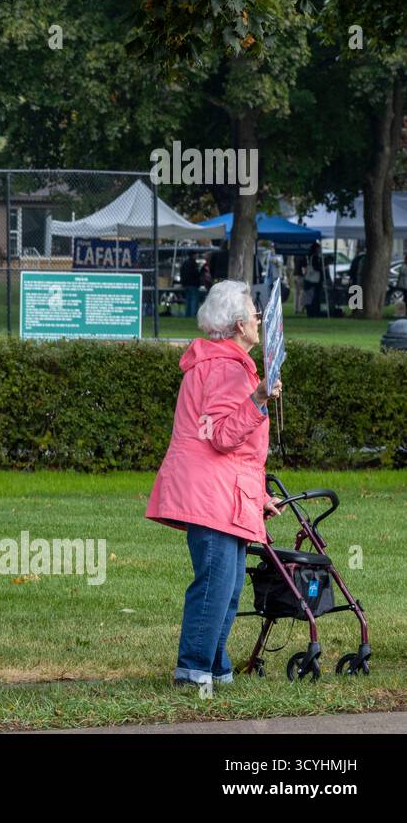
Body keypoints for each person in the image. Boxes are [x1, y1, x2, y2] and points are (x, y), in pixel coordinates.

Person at [145, 280, 283, 690]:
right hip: (211, 495)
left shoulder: (227, 363)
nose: (260, 318)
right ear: (240, 324)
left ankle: (216, 669)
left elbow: (237, 451)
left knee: (228, 587)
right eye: (255, 313)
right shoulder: (225, 367)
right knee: (215, 587)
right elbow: (222, 435)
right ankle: (192, 672)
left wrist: (258, 496)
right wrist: (258, 399)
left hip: (224, 492)